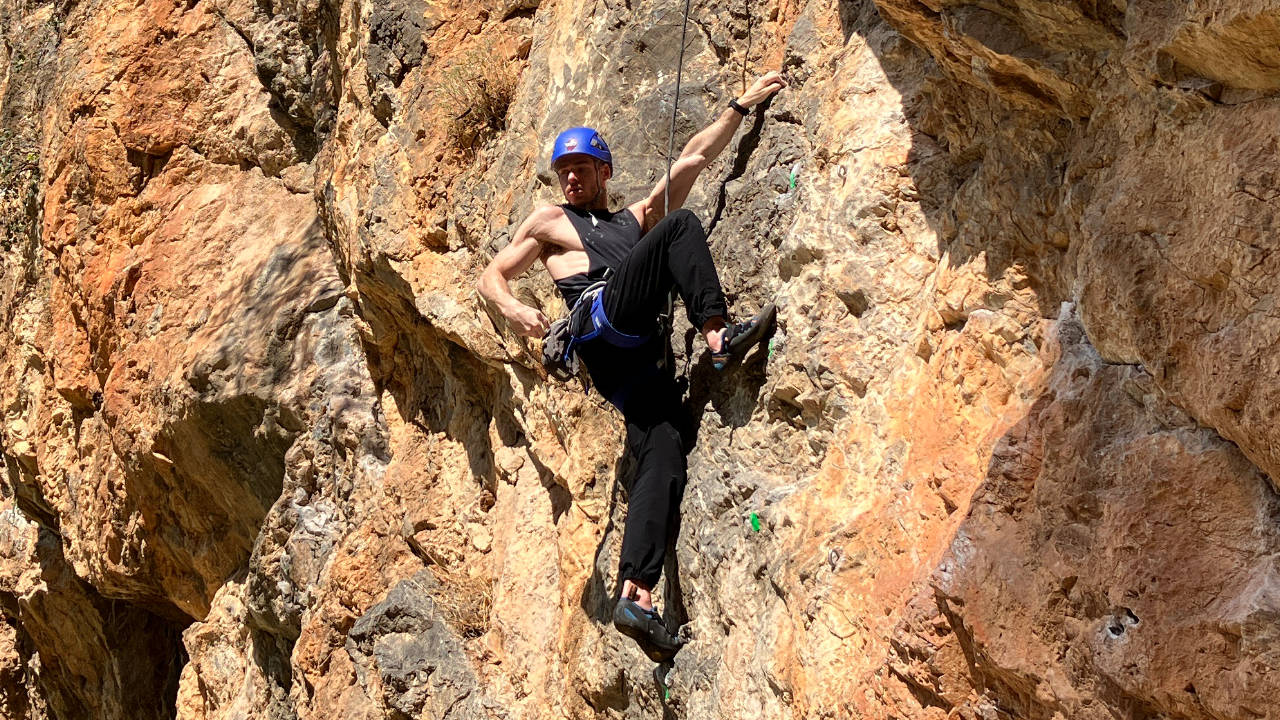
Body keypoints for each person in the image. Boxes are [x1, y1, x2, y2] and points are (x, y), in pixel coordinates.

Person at [477, 71, 787, 661]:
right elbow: (492, 275)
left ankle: (635, 593)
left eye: (582, 168)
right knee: (682, 227)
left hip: (634, 372)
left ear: (604, 172)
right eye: (563, 168)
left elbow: (695, 158)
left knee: (663, 450)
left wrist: (739, 107)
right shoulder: (549, 224)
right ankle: (718, 336)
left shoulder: (632, 219)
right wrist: (515, 308)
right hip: (606, 321)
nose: (570, 177)